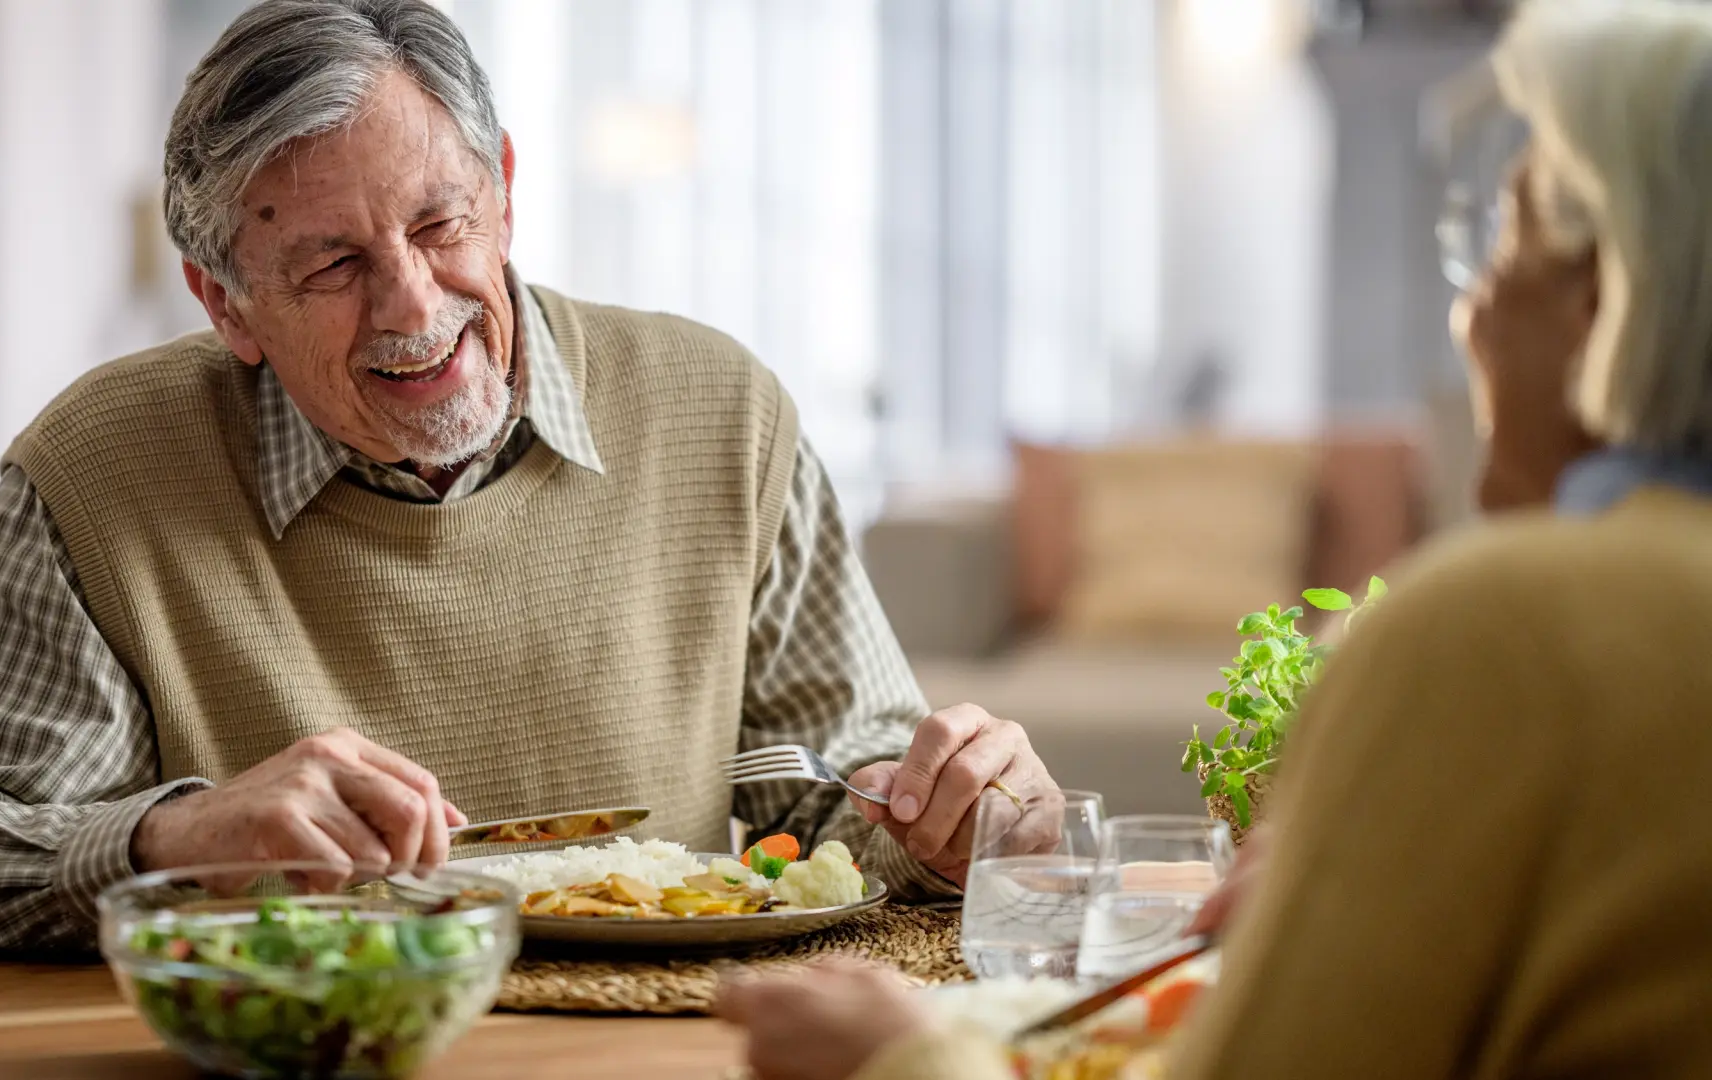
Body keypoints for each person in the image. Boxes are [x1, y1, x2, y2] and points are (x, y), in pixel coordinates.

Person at [0, 0, 1061, 952]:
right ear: (227, 303)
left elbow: (837, 803)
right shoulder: (102, 475)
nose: (414, 308)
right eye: (330, 265)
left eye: (439, 226)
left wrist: (961, 823)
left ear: (507, 191)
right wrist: (173, 838)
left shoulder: (721, 414)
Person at [720, 1, 1712, 1077]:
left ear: (1606, 305)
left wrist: (910, 1055)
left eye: (1505, 245)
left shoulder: (1500, 627)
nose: (1468, 316)